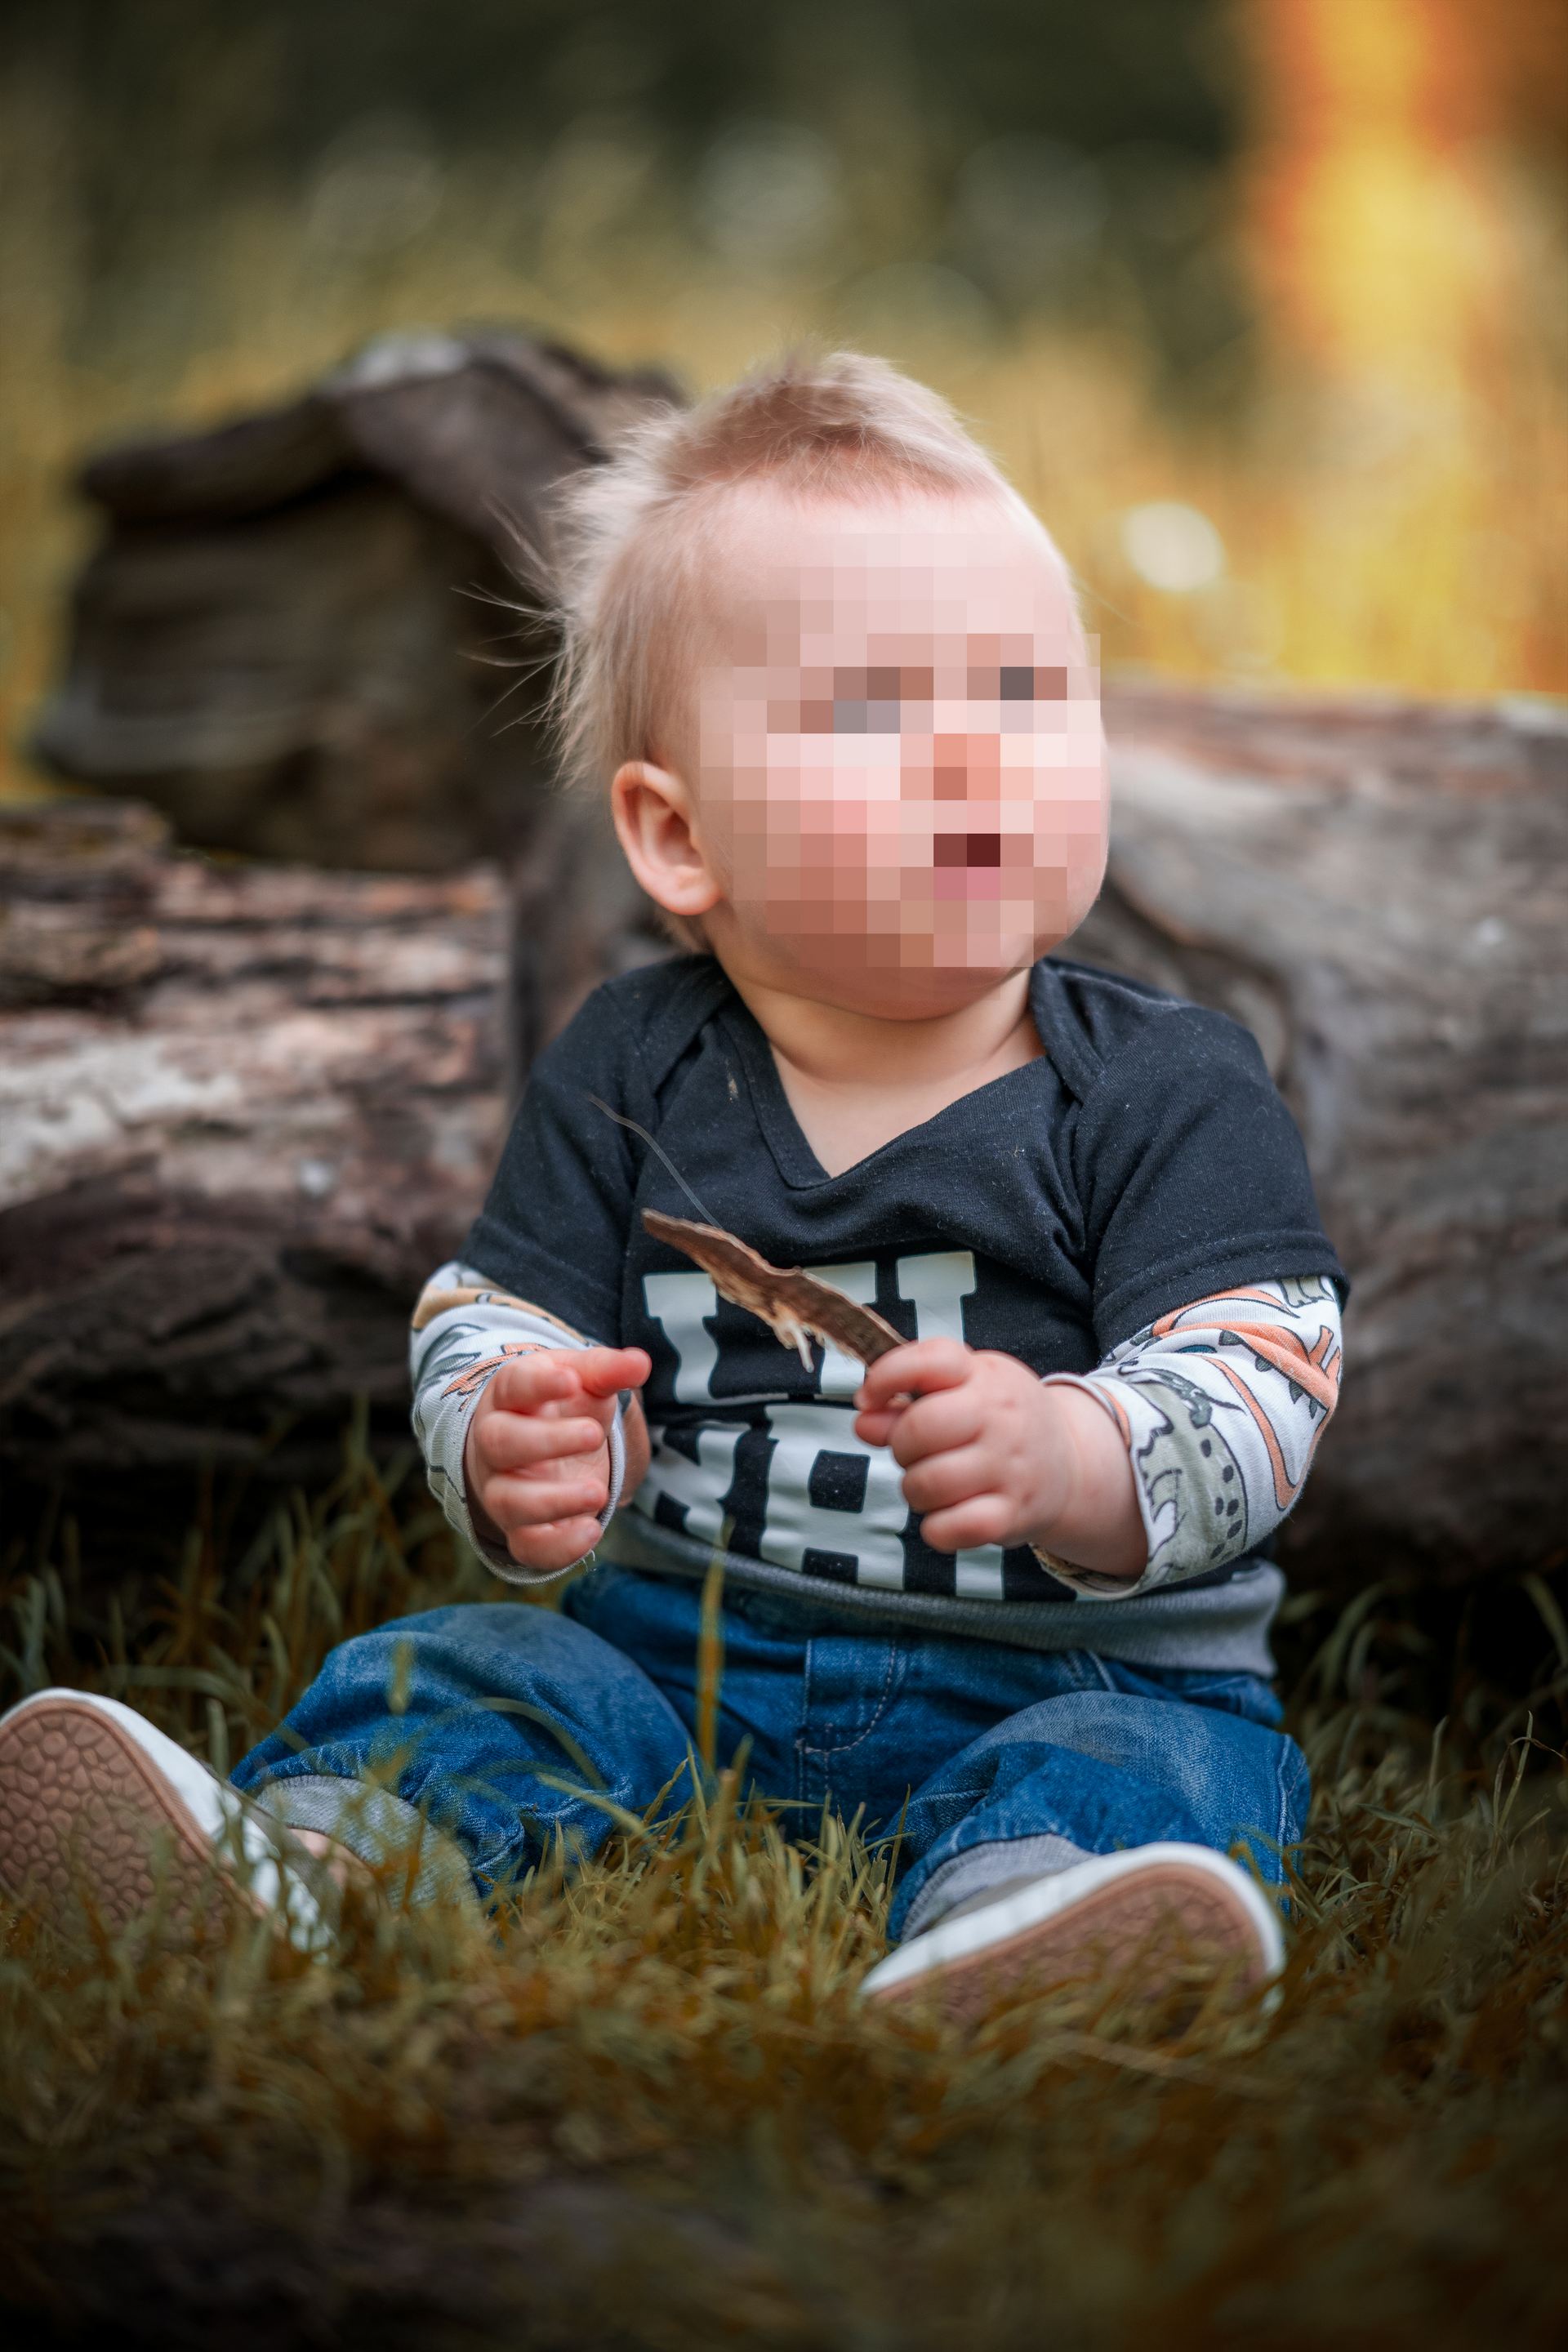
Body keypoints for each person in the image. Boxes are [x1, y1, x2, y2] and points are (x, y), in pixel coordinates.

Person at [0, 352, 1343, 2016]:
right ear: (677, 837)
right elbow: (496, 1309)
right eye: (875, 712)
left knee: (1146, 1767)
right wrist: (513, 1426)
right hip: (684, 1658)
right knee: (473, 1680)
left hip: (1061, 1665)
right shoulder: (633, 1063)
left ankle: (1034, 1924)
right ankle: (314, 1863)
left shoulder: (1158, 1082)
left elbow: (1268, 1366)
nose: (974, 755)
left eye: (1025, 691)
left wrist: (1077, 1451)